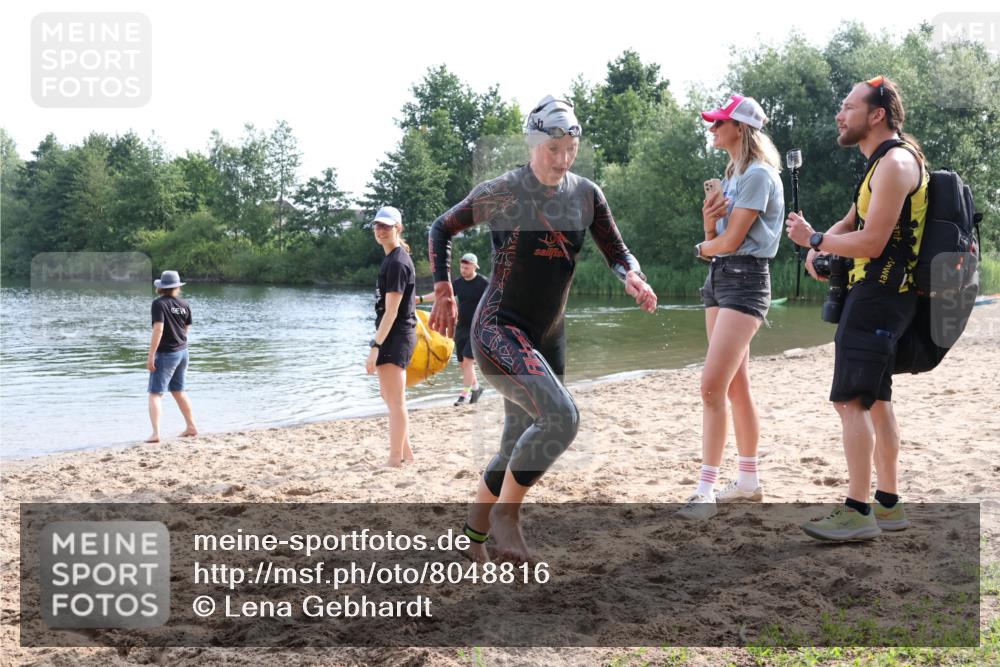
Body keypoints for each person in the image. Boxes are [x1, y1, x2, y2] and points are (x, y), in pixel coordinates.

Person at [428, 95, 658, 562]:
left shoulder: (586, 195)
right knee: (562, 418)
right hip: (498, 328)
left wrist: (631, 275)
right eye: (553, 149)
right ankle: (506, 516)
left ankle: (471, 538)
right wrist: (444, 288)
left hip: (548, 336)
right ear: (533, 143)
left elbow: (617, 251)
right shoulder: (505, 191)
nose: (562, 159)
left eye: (570, 149)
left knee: (515, 443)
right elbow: (441, 228)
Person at [786, 76, 927, 541]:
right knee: (877, 401)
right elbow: (851, 223)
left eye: (848, 107)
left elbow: (873, 241)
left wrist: (815, 239)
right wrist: (818, 246)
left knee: (850, 401)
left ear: (877, 114)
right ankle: (888, 504)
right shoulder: (880, 165)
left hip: (878, 296)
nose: (839, 115)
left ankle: (857, 510)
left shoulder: (896, 163)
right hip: (882, 296)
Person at [677, 95, 785, 520]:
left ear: (740, 127)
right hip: (721, 277)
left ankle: (705, 491)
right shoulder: (733, 175)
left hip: (745, 280)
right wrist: (708, 224)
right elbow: (718, 239)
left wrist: (701, 246)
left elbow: (733, 241)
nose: (712, 129)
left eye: (719, 122)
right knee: (735, 387)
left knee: (710, 388)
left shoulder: (758, 175)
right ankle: (748, 481)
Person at [366, 206, 418, 468]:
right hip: (394, 335)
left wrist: (375, 345)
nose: (380, 230)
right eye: (377, 225)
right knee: (389, 397)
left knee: (395, 401)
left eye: (386, 226)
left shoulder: (397, 262)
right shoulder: (392, 259)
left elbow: (392, 311)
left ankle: (394, 459)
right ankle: (406, 453)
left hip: (396, 336)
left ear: (398, 228)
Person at [418, 252, 489, 406]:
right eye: (462, 267)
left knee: (468, 362)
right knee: (463, 364)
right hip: (461, 327)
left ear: (474, 267)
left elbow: (495, 301)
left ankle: (464, 395)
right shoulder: (458, 283)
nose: (463, 270)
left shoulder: (483, 283)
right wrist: (420, 299)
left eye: (466, 268)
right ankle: (476, 389)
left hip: (477, 328)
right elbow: (440, 295)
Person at [146, 270, 198, 443]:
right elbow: (186, 328)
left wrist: (151, 354)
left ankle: (155, 433)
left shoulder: (158, 304)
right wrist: (178, 340)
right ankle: (191, 426)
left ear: (161, 287)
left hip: (166, 353)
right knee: (178, 391)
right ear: (177, 287)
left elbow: (158, 329)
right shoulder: (184, 304)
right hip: (182, 352)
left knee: (155, 393)